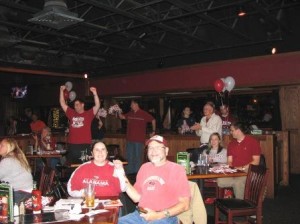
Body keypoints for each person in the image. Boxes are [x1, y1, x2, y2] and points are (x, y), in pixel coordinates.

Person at [117, 135, 190, 224]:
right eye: (150, 148)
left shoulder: (177, 169)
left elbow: (185, 205)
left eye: (158, 147)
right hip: (140, 215)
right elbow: (136, 198)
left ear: (166, 151)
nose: (153, 151)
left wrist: (158, 215)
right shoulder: (144, 167)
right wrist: (121, 174)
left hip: (165, 217)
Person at [217, 122, 261, 199]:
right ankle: (235, 195)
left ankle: (240, 205)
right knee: (220, 181)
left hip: (248, 171)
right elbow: (229, 161)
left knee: (238, 183)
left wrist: (242, 168)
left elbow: (256, 162)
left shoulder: (253, 142)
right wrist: (230, 169)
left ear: (238, 130)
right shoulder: (231, 144)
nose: (230, 132)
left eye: (232, 130)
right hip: (234, 171)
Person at [59, 86, 100, 164]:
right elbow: (62, 103)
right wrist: (61, 91)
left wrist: (95, 93)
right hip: (72, 145)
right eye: (74, 105)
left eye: (77, 105)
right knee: (72, 167)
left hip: (84, 145)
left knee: (84, 166)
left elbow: (97, 105)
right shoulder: (71, 113)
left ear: (82, 105)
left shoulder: (88, 114)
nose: (75, 107)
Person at [119, 99, 156, 174]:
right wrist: (118, 110)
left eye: (132, 104)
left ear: (136, 104)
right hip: (129, 139)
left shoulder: (143, 113)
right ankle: (129, 173)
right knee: (129, 157)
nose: (130, 105)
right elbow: (122, 117)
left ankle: (137, 174)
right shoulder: (130, 113)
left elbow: (153, 120)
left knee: (138, 158)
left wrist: (153, 131)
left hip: (139, 140)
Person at [0, 138, 33, 203]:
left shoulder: (7, 161)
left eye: (2, 145)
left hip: (19, 195)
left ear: (9, 147)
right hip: (27, 194)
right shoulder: (17, 157)